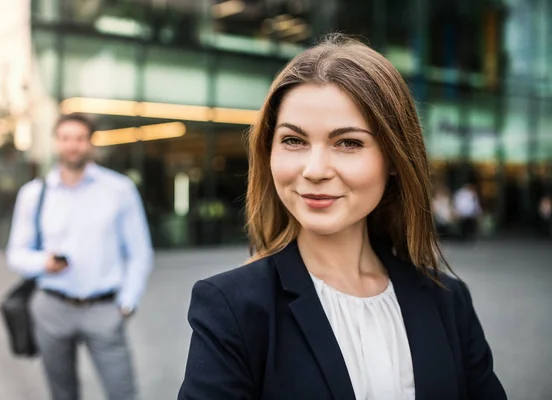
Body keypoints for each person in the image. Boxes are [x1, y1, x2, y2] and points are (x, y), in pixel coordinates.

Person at [178, 35, 506, 399]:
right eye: (293, 140)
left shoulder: (447, 300)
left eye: (348, 143)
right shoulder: (232, 308)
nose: (315, 170)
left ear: (396, 159)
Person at [6, 113, 154, 400]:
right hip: (51, 308)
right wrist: (43, 263)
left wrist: (127, 303)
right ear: (55, 143)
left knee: (123, 392)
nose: (72, 146)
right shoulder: (33, 194)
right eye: (64, 138)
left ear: (90, 143)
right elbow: (16, 254)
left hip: (103, 309)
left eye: (79, 138)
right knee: (62, 394)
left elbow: (139, 251)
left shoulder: (118, 189)